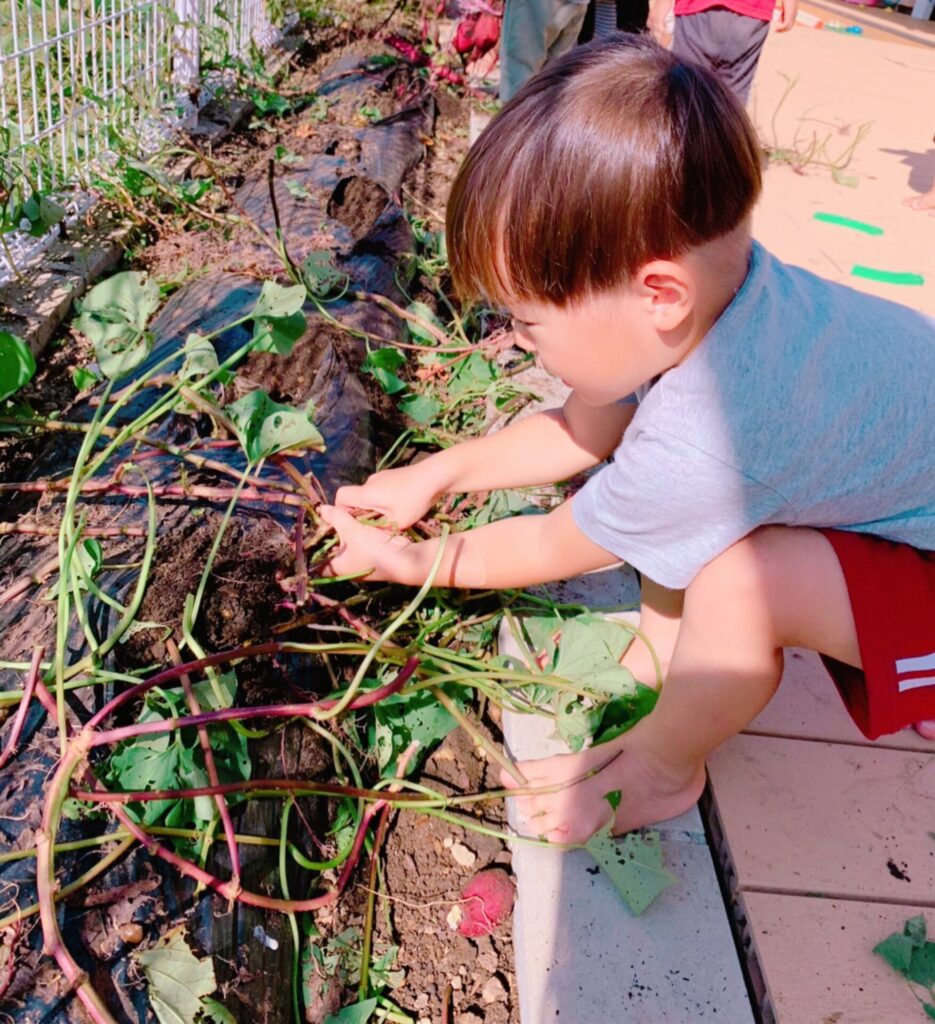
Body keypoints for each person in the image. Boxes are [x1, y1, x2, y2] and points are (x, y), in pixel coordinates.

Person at [320, 36, 935, 846]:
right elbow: (583, 428)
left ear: (658, 295)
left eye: (527, 323)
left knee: (745, 587)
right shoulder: (715, 300)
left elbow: (553, 541)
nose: (515, 341)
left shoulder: (708, 432)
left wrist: (410, 563)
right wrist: (434, 475)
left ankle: (661, 770)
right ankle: (669, 652)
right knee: (684, 519)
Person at [648, 0, 797, 105]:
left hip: (699, 9)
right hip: (753, 15)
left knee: (685, 90)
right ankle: (725, 139)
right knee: (732, 99)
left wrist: (663, 3)